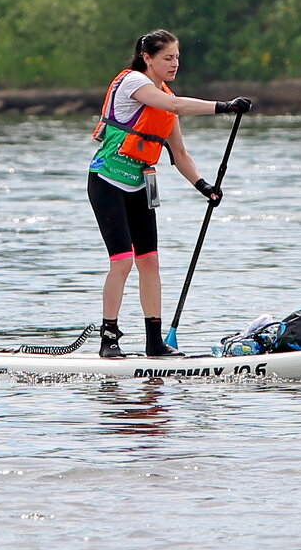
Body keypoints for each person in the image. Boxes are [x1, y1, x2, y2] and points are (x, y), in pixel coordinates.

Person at [87, 29, 251, 358]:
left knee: (150, 263)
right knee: (122, 262)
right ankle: (109, 339)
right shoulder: (132, 82)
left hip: (138, 185)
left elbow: (180, 154)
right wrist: (223, 107)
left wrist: (204, 187)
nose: (175, 63)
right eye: (167, 58)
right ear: (147, 58)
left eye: (177, 57)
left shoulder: (164, 100)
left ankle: (154, 343)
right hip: (106, 181)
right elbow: (174, 103)